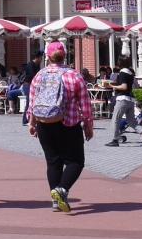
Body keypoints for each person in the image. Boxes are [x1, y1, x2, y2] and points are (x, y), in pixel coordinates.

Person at [27, 41, 93, 212]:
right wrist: (88, 124)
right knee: (76, 161)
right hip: (68, 123)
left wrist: (32, 122)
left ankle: (55, 202)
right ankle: (62, 189)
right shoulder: (74, 75)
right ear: (64, 56)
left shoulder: (39, 75)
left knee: (53, 162)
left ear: (47, 57)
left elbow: (32, 101)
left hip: (44, 123)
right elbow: (85, 103)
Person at [105, 54, 138, 147]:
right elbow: (129, 85)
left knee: (115, 119)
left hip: (122, 99)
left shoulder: (122, 72)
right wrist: (114, 83)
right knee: (132, 121)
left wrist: (112, 86)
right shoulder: (130, 73)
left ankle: (115, 140)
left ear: (120, 62)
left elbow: (124, 86)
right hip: (130, 99)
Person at [20, 49, 43, 125]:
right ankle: (25, 120)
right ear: (38, 57)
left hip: (34, 85)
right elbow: (32, 76)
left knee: (34, 102)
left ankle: (33, 119)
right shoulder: (30, 65)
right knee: (29, 102)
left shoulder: (37, 65)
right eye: (41, 57)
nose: (41, 59)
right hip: (27, 85)